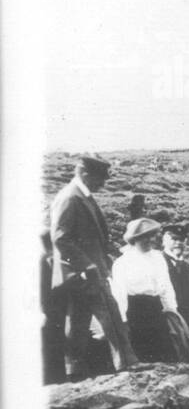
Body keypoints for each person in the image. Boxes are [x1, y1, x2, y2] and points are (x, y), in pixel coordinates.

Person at [49, 155, 137, 379]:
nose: (103, 184)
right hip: (86, 274)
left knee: (78, 323)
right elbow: (60, 238)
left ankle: (74, 372)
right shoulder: (70, 198)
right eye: (100, 179)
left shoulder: (81, 196)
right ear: (85, 174)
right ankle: (127, 364)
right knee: (111, 314)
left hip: (86, 272)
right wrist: (87, 265)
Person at [112, 218, 179, 363]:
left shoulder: (158, 257)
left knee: (166, 354)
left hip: (156, 309)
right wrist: (123, 321)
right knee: (143, 354)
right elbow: (120, 294)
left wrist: (172, 310)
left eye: (152, 235)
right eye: (145, 237)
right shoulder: (123, 262)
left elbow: (166, 286)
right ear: (134, 239)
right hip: (135, 312)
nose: (150, 240)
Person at [160, 223, 189, 336]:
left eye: (181, 239)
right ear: (164, 241)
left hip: (188, 322)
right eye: (174, 239)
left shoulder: (186, 267)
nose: (178, 243)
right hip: (166, 323)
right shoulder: (158, 263)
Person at [40, 230, 67, 384]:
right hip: (53, 311)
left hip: (55, 310)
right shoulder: (46, 261)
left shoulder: (51, 259)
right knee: (54, 347)